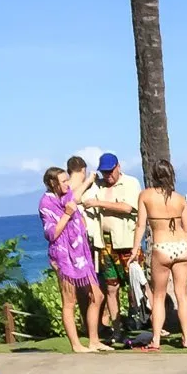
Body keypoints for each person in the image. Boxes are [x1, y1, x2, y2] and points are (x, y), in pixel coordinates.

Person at [131, 159, 187, 350]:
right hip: (182, 247)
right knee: (182, 295)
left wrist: (134, 250)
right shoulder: (180, 199)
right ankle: (186, 338)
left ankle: (156, 339)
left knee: (159, 296)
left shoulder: (145, 196)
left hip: (161, 247)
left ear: (154, 175)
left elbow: (140, 225)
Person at [38, 166, 107, 353]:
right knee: (69, 302)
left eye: (67, 180)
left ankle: (94, 340)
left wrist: (88, 181)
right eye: (64, 181)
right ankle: (76, 345)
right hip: (63, 256)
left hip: (81, 255)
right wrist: (68, 214)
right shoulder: (46, 204)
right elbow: (52, 234)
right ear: (53, 183)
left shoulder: (68, 196)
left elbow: (76, 196)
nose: (67, 184)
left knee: (97, 295)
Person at [82, 151, 142, 331]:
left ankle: (148, 321)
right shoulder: (98, 186)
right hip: (105, 244)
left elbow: (127, 207)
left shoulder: (130, 183)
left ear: (118, 167)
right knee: (111, 286)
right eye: (104, 172)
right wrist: (89, 181)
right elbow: (81, 199)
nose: (108, 176)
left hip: (127, 242)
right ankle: (117, 327)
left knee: (137, 283)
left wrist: (99, 204)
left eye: (110, 171)